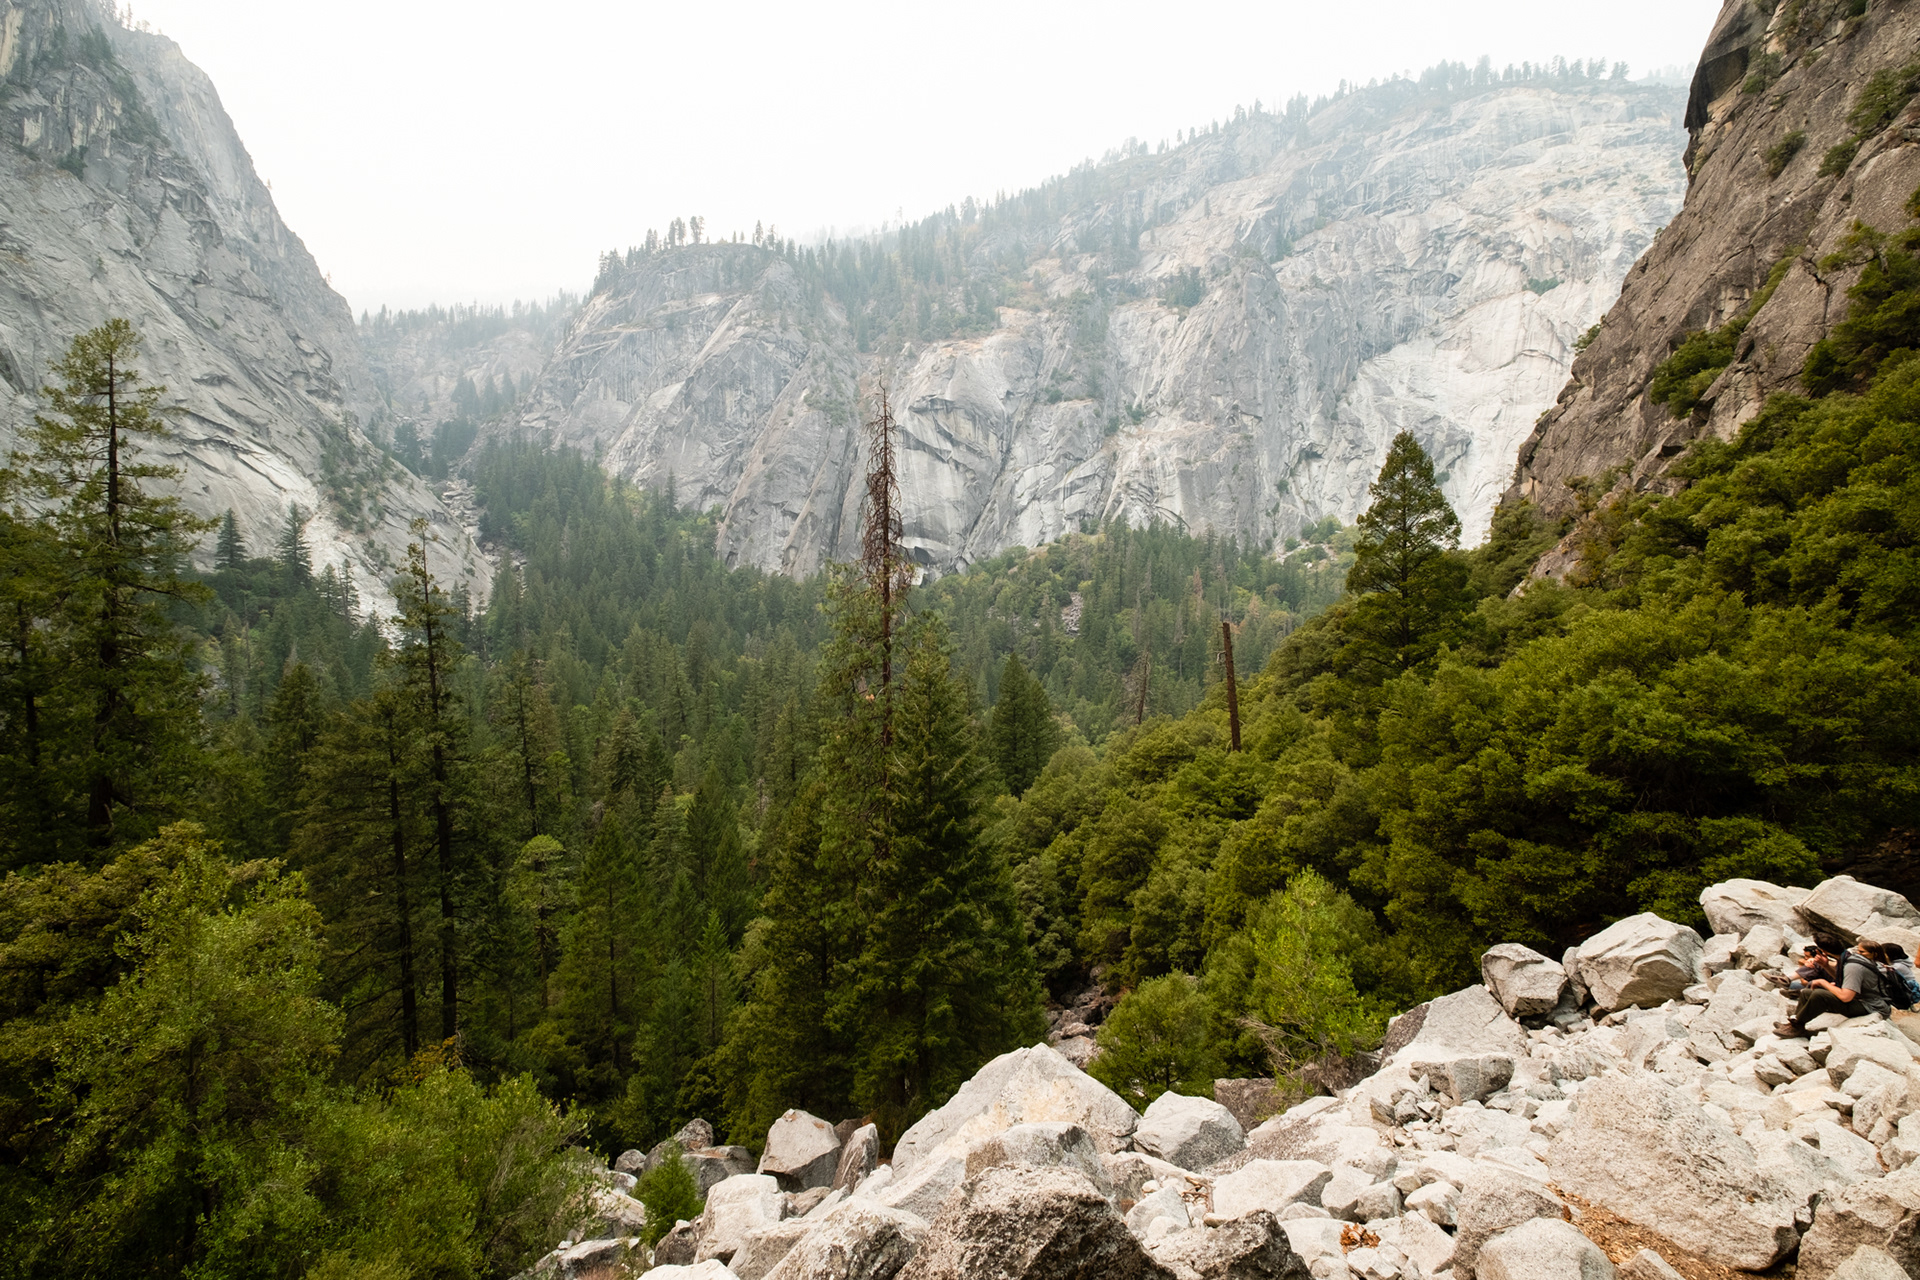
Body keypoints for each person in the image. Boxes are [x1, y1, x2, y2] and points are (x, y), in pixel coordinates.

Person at [1775, 939, 1892, 1037]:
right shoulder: (1850, 960)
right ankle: (1795, 1024)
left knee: (1819, 995)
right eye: (1857, 950)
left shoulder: (1854, 966)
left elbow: (1846, 997)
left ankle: (1797, 1028)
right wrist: (1825, 965)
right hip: (1862, 1000)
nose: (1858, 953)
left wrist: (1823, 982)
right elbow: (1843, 980)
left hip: (1871, 1007)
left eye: (1861, 952)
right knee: (1806, 992)